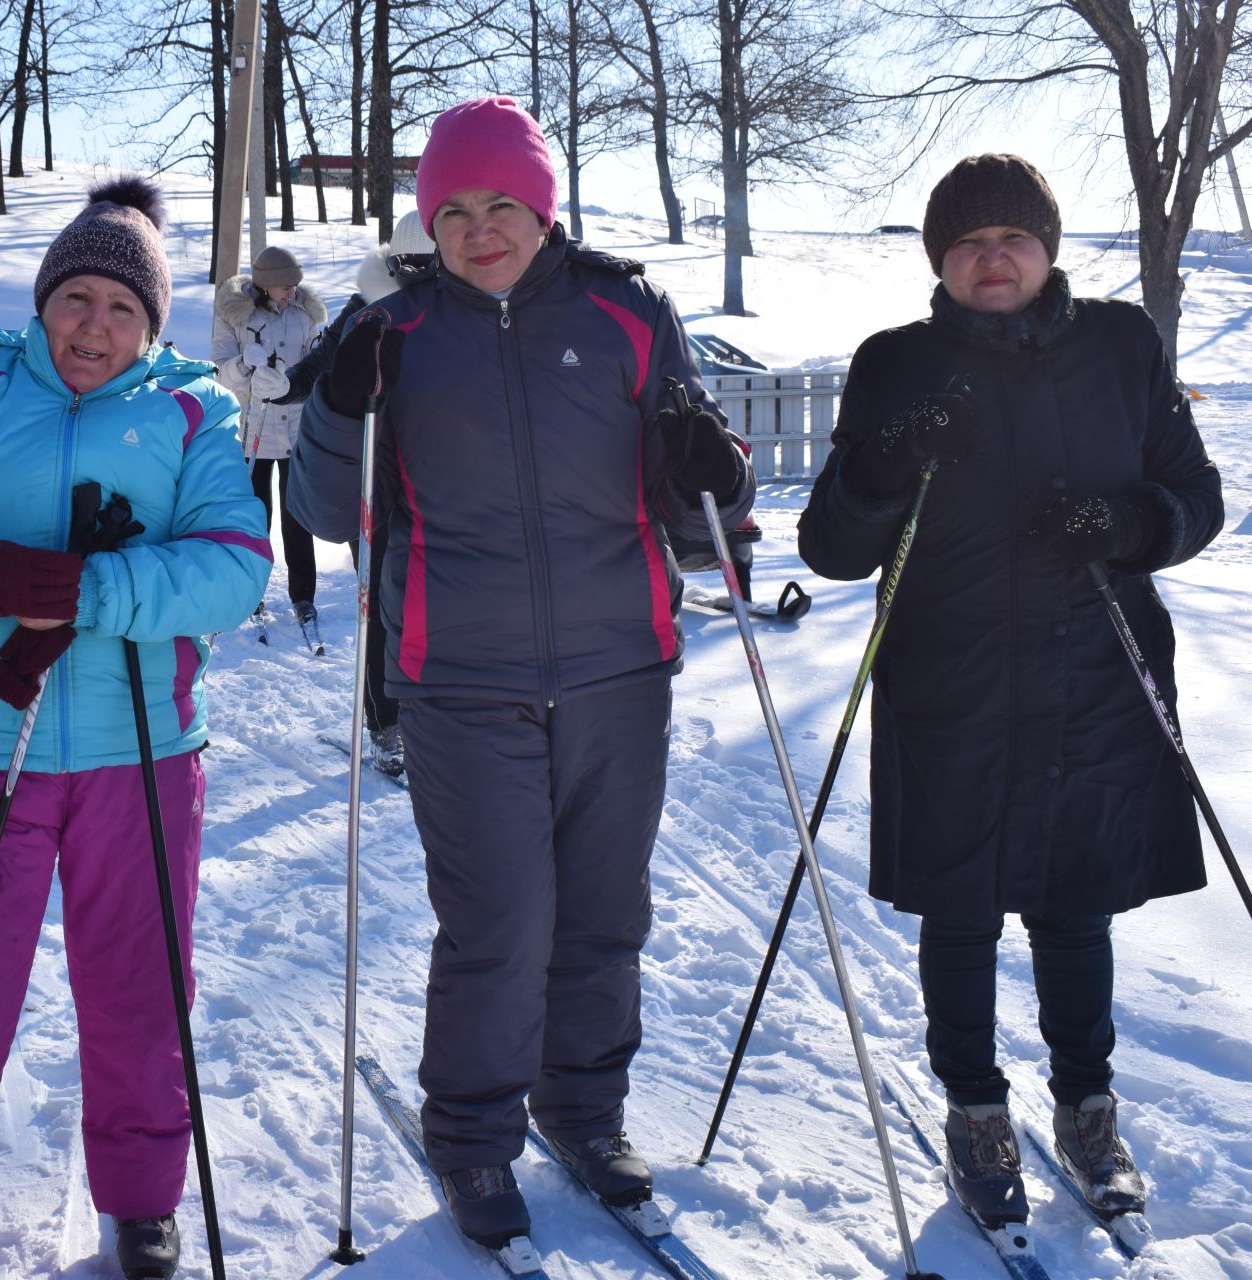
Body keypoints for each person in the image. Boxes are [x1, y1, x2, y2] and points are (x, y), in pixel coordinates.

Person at [288, 96, 754, 1250]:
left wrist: (719, 470)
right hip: (459, 677)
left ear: (543, 206)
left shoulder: (627, 310)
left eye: (502, 203)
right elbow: (320, 509)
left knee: (604, 912)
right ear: (426, 222)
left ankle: (585, 1110)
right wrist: (338, 403)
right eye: (453, 209)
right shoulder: (395, 334)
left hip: (620, 667)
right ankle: (474, 1133)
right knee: (499, 916)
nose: (479, 228)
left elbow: (706, 512)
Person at [0, 178, 269, 1280]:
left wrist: (93, 592)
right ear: (42, 301)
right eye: (76, 297)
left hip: (145, 746)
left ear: (152, 323)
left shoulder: (192, 409)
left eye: (124, 310)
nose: (96, 326)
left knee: (138, 981)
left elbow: (233, 567)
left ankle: (141, 1195)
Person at [797, 154, 1222, 1231]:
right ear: (941, 257)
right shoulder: (895, 362)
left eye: (1014, 237)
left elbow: (1197, 497)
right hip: (955, 685)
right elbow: (832, 546)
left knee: (1077, 906)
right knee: (962, 907)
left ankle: (1087, 1104)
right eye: (970, 240)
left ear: (1048, 247)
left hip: (1097, 675)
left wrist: (1125, 526)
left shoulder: (1122, 346)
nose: (994, 256)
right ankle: (976, 1107)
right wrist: (887, 464)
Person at [276, 211, 435, 776]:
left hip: (446, 486)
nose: (418, 276)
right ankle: (385, 724)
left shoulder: (464, 311)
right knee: (384, 608)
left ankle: (433, 718)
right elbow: (324, 362)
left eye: (430, 265)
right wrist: (293, 385)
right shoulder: (367, 310)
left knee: (439, 609)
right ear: (391, 262)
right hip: (378, 481)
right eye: (407, 265)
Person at [211, 245, 327, 626]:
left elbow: (318, 362)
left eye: (295, 286)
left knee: (298, 518)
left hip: (296, 431)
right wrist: (245, 363)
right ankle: (251, 591)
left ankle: (303, 596)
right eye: (284, 288)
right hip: (251, 432)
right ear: (265, 286)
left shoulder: (306, 313)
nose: (292, 292)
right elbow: (220, 372)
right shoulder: (234, 313)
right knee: (254, 517)